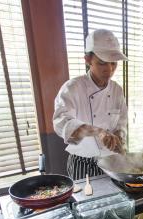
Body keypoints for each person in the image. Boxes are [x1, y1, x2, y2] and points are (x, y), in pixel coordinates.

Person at [53, 29, 128, 180]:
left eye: (114, 63)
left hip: (111, 162)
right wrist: (99, 132)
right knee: (87, 203)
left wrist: (119, 137)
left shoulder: (116, 90)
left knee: (115, 202)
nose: (109, 70)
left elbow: (121, 123)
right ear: (87, 59)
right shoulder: (73, 88)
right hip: (83, 163)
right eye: (102, 63)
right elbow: (62, 124)